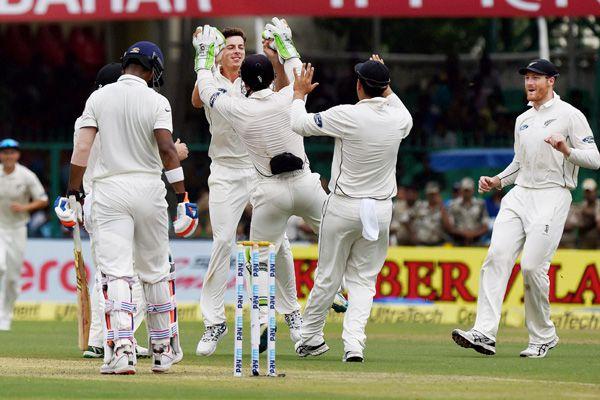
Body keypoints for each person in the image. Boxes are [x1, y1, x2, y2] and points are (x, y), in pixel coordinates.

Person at [55, 41, 198, 374]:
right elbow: (166, 149)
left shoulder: (98, 98)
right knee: (155, 271)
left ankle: (121, 349)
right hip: (149, 190)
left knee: (116, 272)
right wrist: (183, 196)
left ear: (125, 66)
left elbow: (82, 148)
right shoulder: (157, 100)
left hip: (109, 191)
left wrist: (72, 192)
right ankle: (162, 350)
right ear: (153, 71)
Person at [452, 59, 600, 358]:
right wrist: (497, 181)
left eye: (536, 78)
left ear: (551, 82)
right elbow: (518, 165)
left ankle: (543, 336)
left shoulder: (570, 115)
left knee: (532, 267)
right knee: (496, 257)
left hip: (553, 195)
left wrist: (567, 151)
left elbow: (594, 159)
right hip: (519, 195)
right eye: (527, 78)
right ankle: (484, 332)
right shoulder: (523, 119)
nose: (530, 83)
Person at [192, 20, 326, 349]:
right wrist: (206, 60)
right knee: (223, 241)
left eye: (241, 47)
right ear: (220, 55)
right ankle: (214, 322)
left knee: (277, 245)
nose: (236, 51)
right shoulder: (216, 78)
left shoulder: (252, 83)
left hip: (259, 171)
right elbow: (199, 98)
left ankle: (291, 313)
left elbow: (282, 86)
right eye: (230, 47)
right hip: (225, 170)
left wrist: (275, 59)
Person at [290, 56, 412, 362]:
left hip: (344, 206)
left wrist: (298, 94)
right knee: (363, 281)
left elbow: (298, 124)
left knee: (329, 276)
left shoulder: (347, 115)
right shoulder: (398, 119)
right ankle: (354, 344)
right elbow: (400, 108)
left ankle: (310, 337)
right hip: (380, 210)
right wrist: (385, 85)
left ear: (359, 86)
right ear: (384, 87)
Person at [0, 139, 48, 331]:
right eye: (4, 153)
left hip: (19, 227)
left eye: (12, 152)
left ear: (17, 155)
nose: (8, 156)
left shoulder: (26, 176)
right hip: (0, 227)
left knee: (12, 277)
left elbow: (43, 200)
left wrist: (25, 207)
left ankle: (6, 315)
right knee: (0, 266)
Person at [444, 177, 490, 246]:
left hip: (477, 241)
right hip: (458, 242)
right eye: (465, 190)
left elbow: (485, 226)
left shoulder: (480, 204)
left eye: (469, 190)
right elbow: (450, 227)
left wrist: (473, 234)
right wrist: (464, 234)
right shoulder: (452, 205)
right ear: (461, 190)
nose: (467, 192)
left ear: (473, 190)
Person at [412, 182, 448, 246]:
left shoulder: (443, 208)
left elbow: (447, 226)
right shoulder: (419, 206)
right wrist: (413, 235)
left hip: (438, 244)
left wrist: (441, 206)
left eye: (434, 194)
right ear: (426, 194)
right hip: (421, 244)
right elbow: (407, 219)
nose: (432, 196)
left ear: (438, 194)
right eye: (430, 194)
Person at [576, 178, 600, 249]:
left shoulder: (598, 206)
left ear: (595, 191)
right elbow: (578, 224)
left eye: (590, 192)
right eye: (587, 192)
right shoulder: (581, 207)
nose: (589, 194)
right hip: (585, 242)